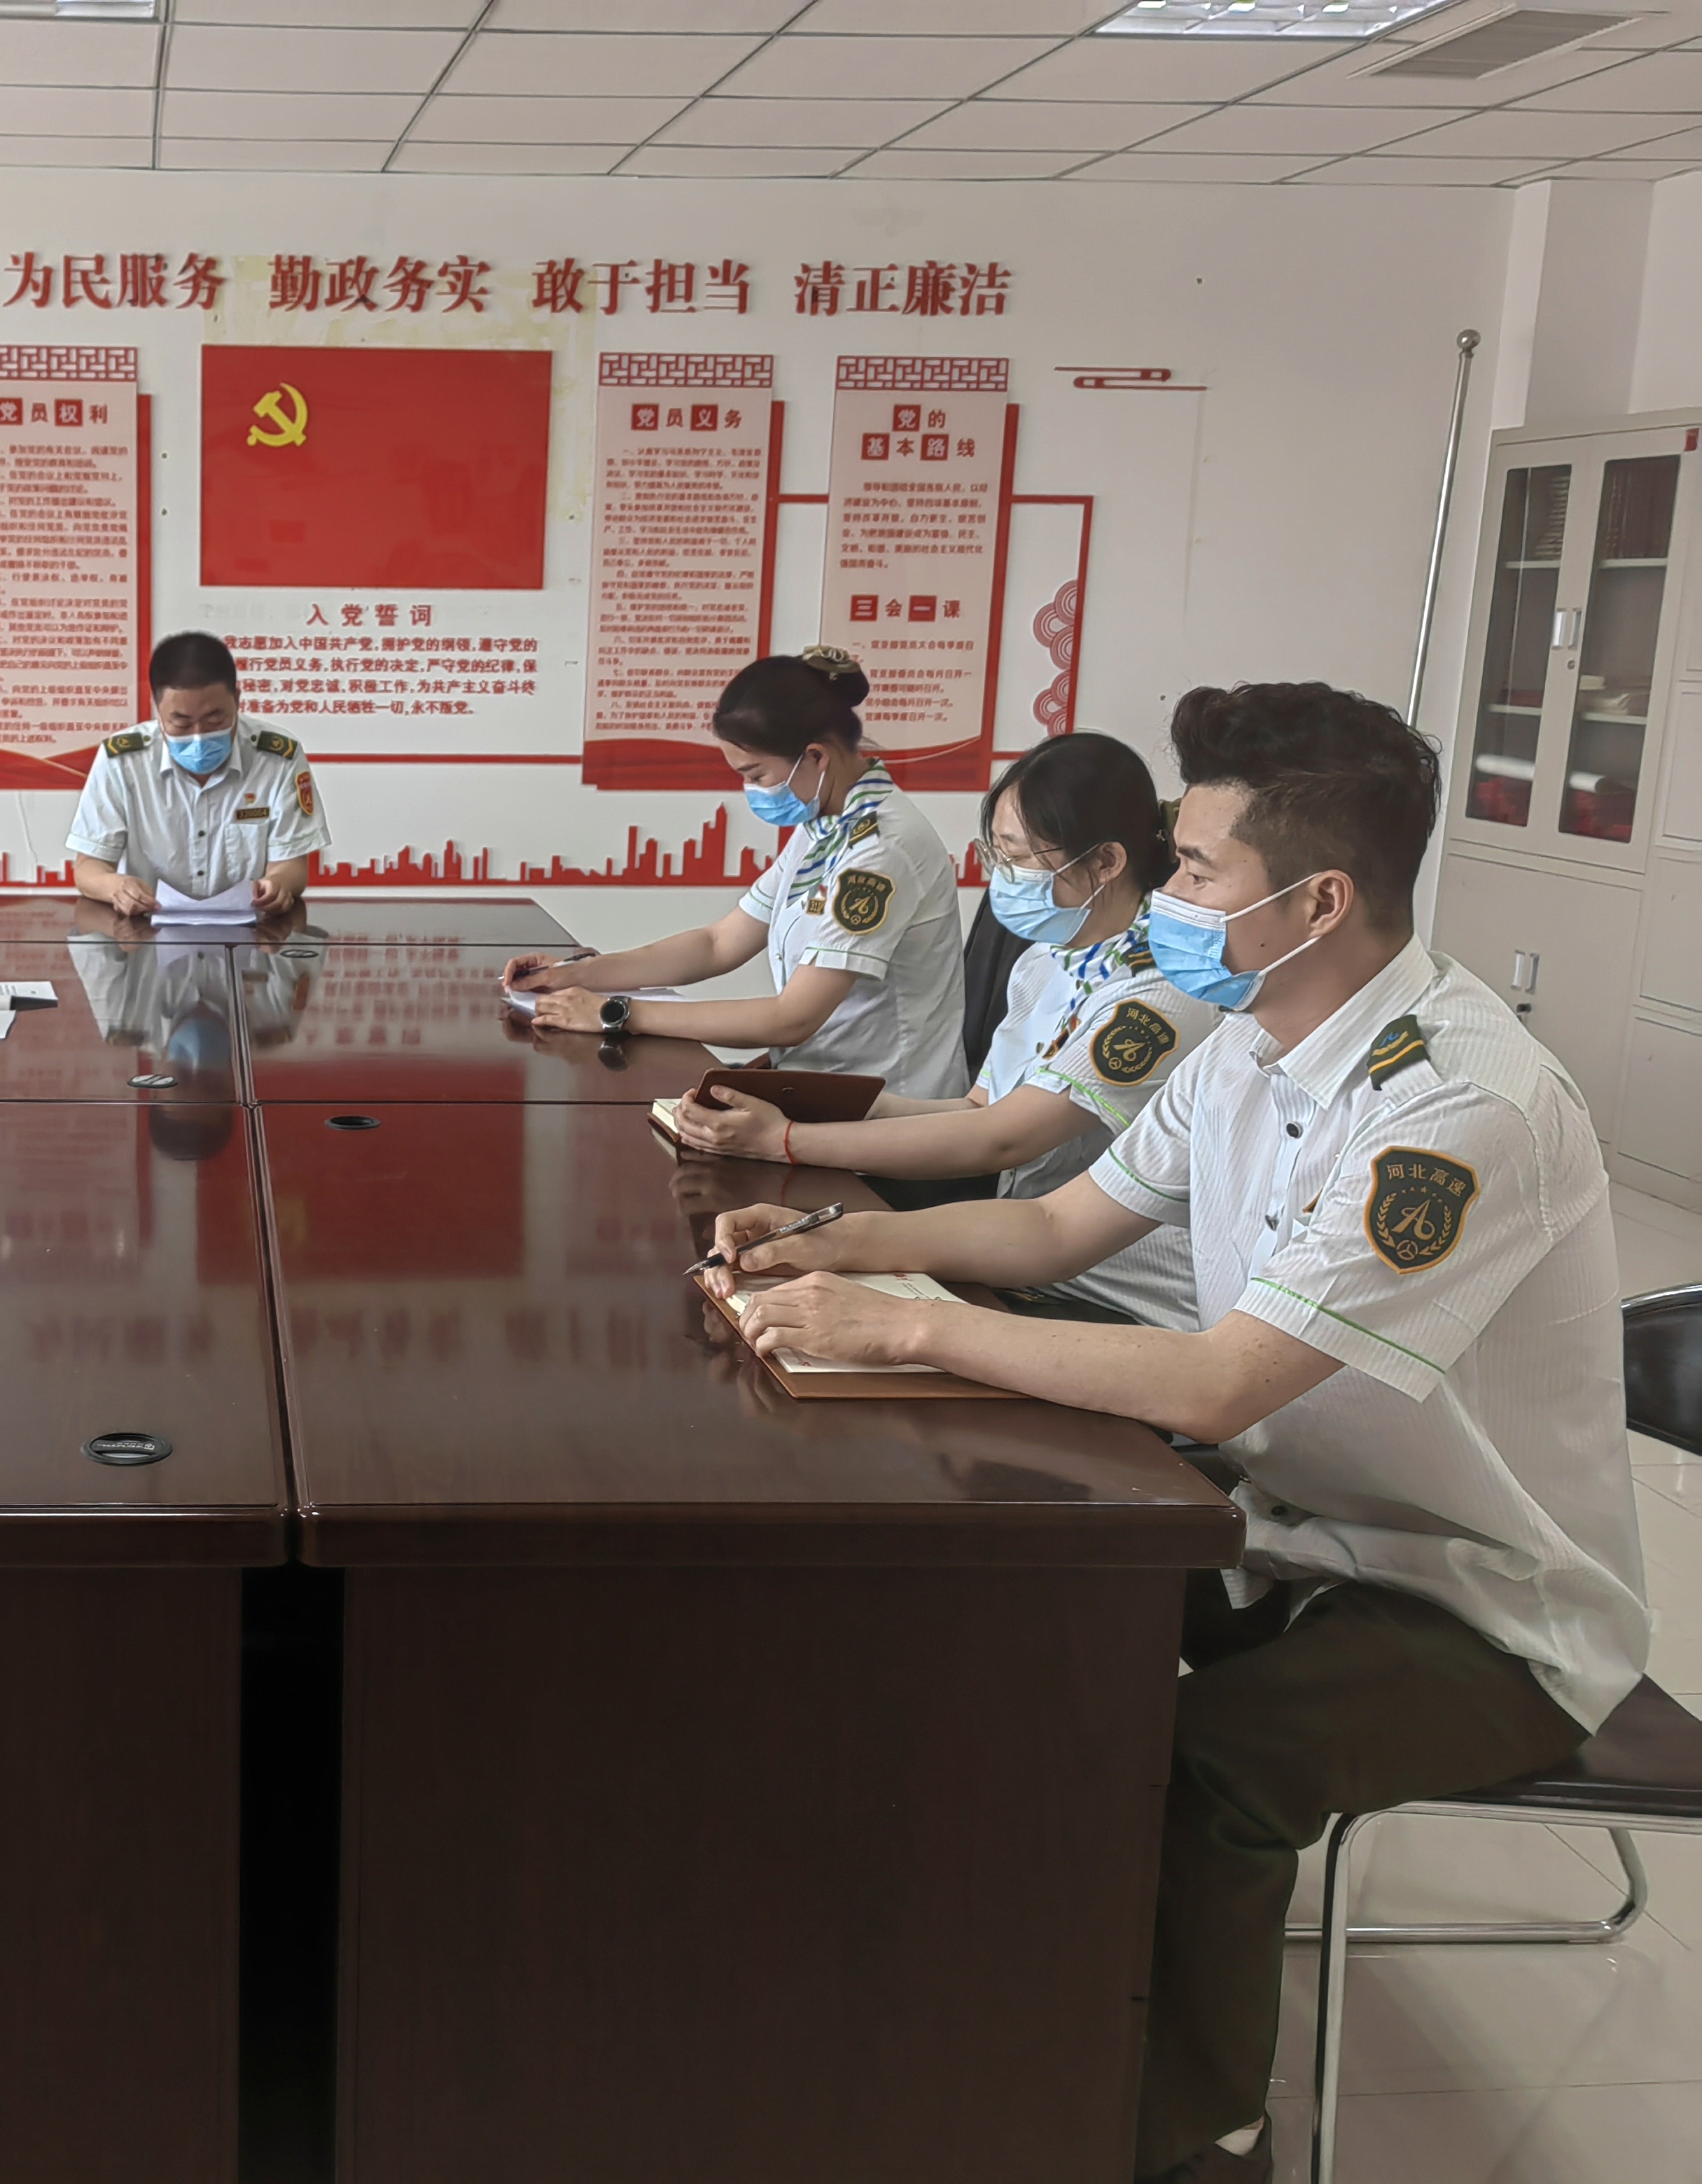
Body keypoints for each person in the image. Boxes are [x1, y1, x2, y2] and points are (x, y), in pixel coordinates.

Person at [702, 682, 1646, 2184]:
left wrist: (909, 1326)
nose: (1168, 900)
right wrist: (836, 1243)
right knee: (1013, 1626)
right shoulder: (1251, 1042)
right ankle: (1016, 2001)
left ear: (1316, 900)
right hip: (1294, 1531)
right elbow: (1058, 1224)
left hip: (1479, 1606)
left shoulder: (1457, 1108)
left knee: (1211, 1766)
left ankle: (1200, 2139)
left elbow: (1218, 1386)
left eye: (1197, 871)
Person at [669, 732, 1215, 1327]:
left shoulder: (1159, 994)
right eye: (996, 854)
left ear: (1106, 862)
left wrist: (786, 1140)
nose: (1002, 877)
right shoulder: (1046, 959)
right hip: (1018, 1249)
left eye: (1019, 858)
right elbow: (977, 1107)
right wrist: (815, 1109)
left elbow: (1004, 1138)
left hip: (1122, 1294)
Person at [504, 650, 967, 1100]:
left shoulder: (882, 848)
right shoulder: (826, 827)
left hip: (887, 1107)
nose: (751, 790)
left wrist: (615, 1012)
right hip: (820, 1083)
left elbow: (793, 1018)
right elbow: (718, 943)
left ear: (815, 757)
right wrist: (577, 974)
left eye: (757, 775)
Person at [70, 631, 330, 917]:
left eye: (215, 719)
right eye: (181, 723)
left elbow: (292, 865)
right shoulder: (122, 761)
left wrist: (278, 884)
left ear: (237, 700)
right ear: (158, 708)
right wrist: (116, 887)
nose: (199, 736)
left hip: (251, 932)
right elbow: (89, 868)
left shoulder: (278, 758)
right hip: (146, 931)